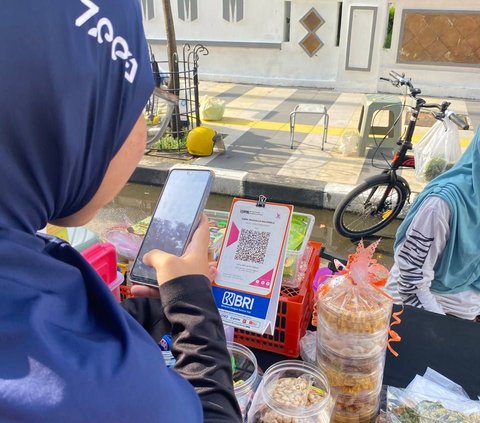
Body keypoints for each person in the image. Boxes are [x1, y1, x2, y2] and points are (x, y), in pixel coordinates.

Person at [0, 1, 242, 422]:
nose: (146, 133)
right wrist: (193, 305)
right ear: (74, 117)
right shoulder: (97, 395)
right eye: (138, 106)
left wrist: (132, 318)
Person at [386, 128, 480, 321]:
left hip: (466, 303)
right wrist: (443, 331)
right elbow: (411, 284)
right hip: (418, 304)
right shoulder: (441, 205)